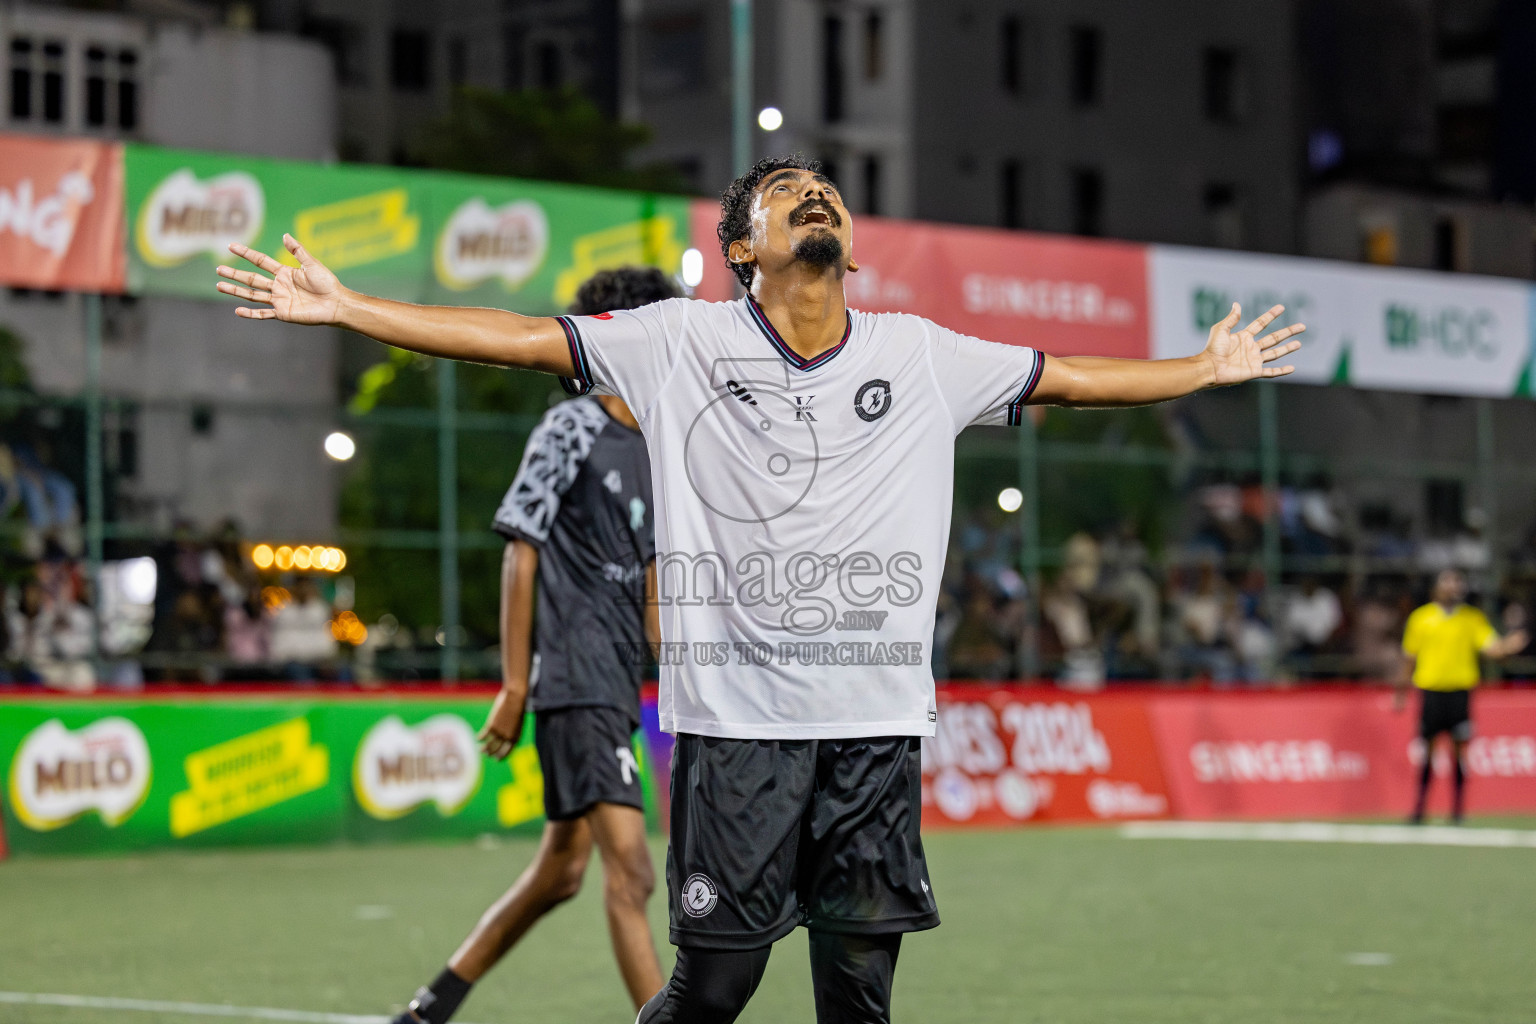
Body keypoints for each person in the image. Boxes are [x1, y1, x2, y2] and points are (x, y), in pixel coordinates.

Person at [217, 153, 1304, 1024]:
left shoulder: (921, 354)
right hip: (738, 737)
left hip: (876, 734)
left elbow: (1070, 379)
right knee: (715, 993)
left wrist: (1201, 369)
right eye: (786, 195)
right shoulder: (677, 343)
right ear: (742, 249)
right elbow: (512, 337)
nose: (814, 195)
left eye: (822, 188)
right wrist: (351, 308)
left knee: (858, 999)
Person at [390, 268, 674, 1024]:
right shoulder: (572, 427)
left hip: (614, 680)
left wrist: (686, 663)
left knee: (561, 872)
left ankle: (430, 1009)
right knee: (632, 875)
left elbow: (653, 591)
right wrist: (516, 684)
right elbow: (522, 547)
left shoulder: (657, 446)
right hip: (573, 673)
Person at [1396, 568, 1527, 824]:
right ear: (1436, 588)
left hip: (1459, 693)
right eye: (1448, 581)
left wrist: (1509, 646)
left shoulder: (1472, 619)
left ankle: (1457, 810)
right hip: (1432, 691)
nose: (1454, 586)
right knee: (1429, 749)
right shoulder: (1421, 619)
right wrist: (1400, 691)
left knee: (1459, 751)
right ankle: (1419, 808)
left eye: (1458, 581)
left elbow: (1492, 648)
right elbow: (1409, 657)